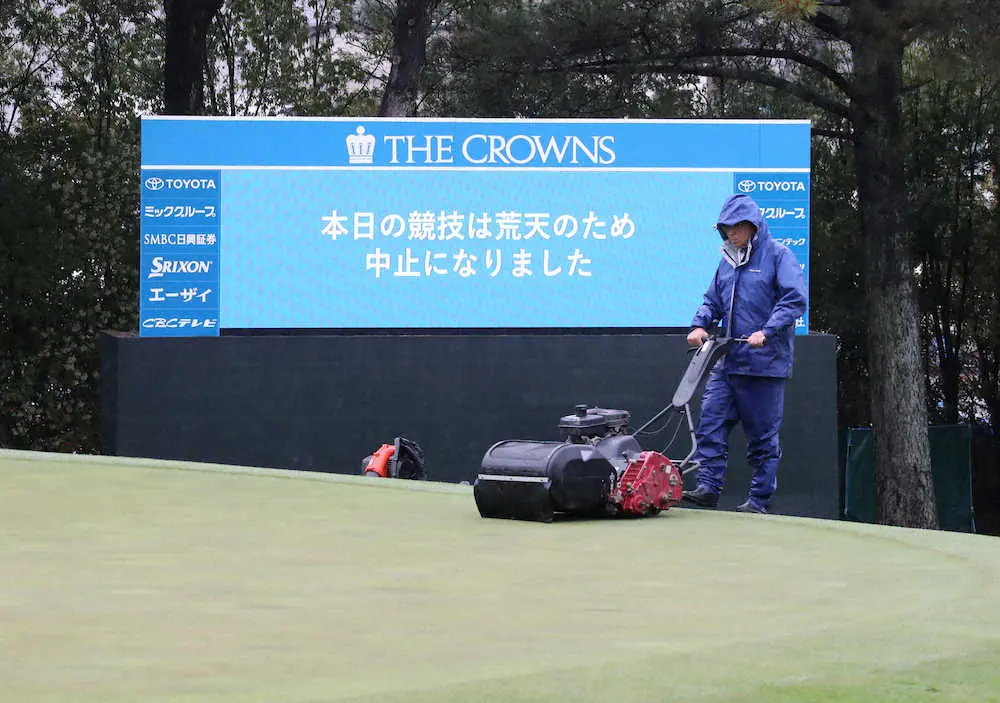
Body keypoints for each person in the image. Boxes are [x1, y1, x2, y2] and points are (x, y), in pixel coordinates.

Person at [681, 193, 807, 513]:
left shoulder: (778, 256)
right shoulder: (726, 263)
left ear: (752, 226)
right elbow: (712, 301)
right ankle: (708, 487)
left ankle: (759, 500)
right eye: (725, 230)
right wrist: (700, 325)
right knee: (710, 421)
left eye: (735, 228)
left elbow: (794, 299)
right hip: (729, 361)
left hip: (764, 365)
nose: (730, 235)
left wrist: (767, 331)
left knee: (763, 438)